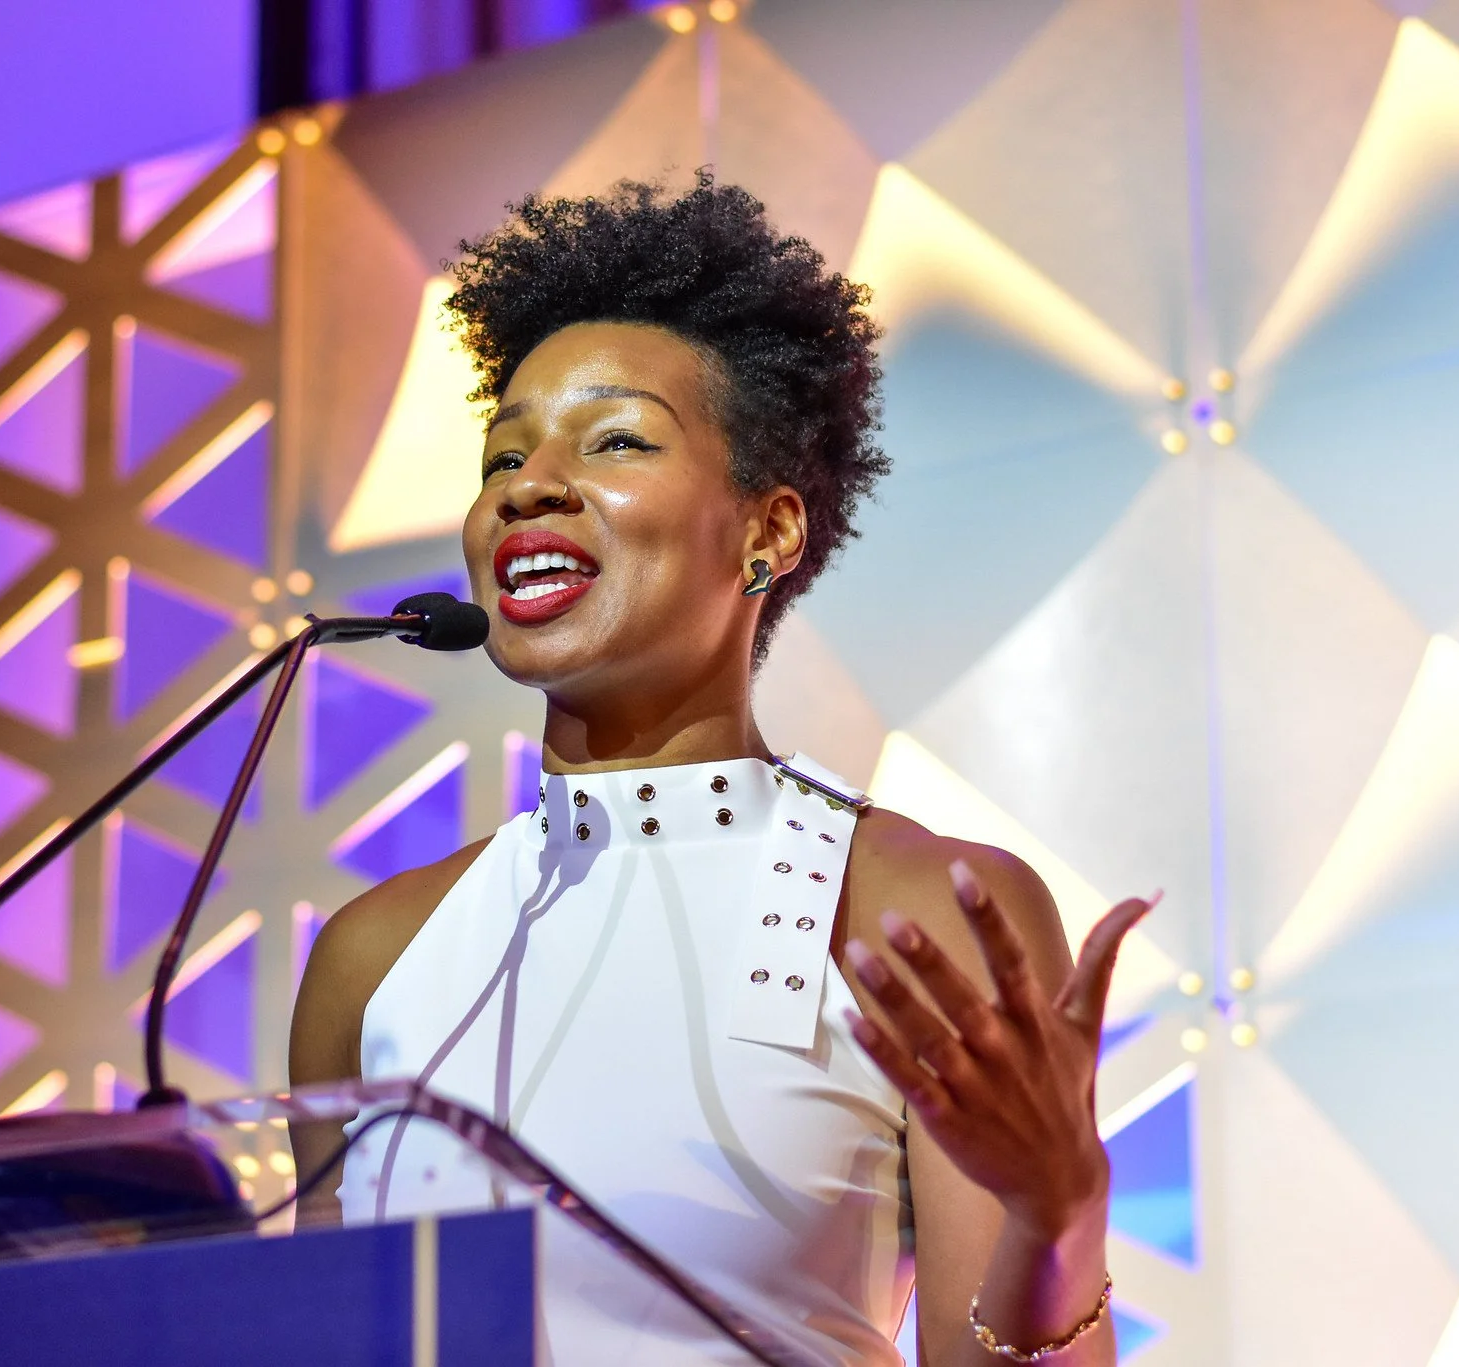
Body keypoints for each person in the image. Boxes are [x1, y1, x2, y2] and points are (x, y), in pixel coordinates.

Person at [289, 174, 1153, 1366]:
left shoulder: (919, 912)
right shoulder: (367, 956)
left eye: (617, 441)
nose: (525, 487)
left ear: (767, 533)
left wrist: (1059, 1218)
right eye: (502, 457)